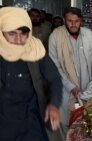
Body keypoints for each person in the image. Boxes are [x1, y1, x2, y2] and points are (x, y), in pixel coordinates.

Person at [0, 7, 62, 141]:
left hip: (31, 121)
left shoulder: (36, 49)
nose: (18, 39)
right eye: (12, 33)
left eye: (23, 33)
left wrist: (54, 104)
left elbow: (55, 79)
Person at [49, 7, 92, 139]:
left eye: (77, 21)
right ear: (64, 21)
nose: (73, 24)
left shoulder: (91, 36)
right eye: (70, 21)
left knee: (86, 127)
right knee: (67, 125)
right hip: (65, 91)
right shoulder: (55, 37)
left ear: (81, 21)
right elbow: (54, 66)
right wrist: (70, 86)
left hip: (87, 92)